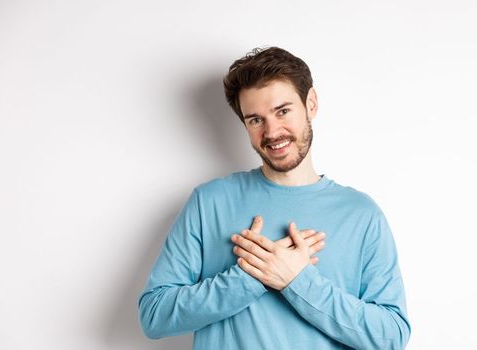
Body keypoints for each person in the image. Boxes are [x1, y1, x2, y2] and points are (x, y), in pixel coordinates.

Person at [138, 46, 411, 349]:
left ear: (311, 104)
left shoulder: (361, 214)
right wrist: (248, 278)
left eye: (283, 111)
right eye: (255, 120)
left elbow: (391, 337)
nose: (272, 131)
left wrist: (298, 280)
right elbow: (154, 315)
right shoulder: (209, 202)